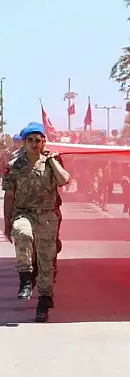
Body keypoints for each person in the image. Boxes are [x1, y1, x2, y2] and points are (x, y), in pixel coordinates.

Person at [2, 122, 71, 322]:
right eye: (30, 140)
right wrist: (7, 224)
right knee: (22, 233)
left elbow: (64, 180)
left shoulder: (52, 161)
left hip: (47, 216)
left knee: (46, 261)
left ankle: (44, 300)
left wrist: (52, 161)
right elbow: (9, 196)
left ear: (43, 142)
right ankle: (25, 277)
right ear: (23, 143)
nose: (34, 144)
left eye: (38, 140)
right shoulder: (14, 165)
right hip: (24, 213)